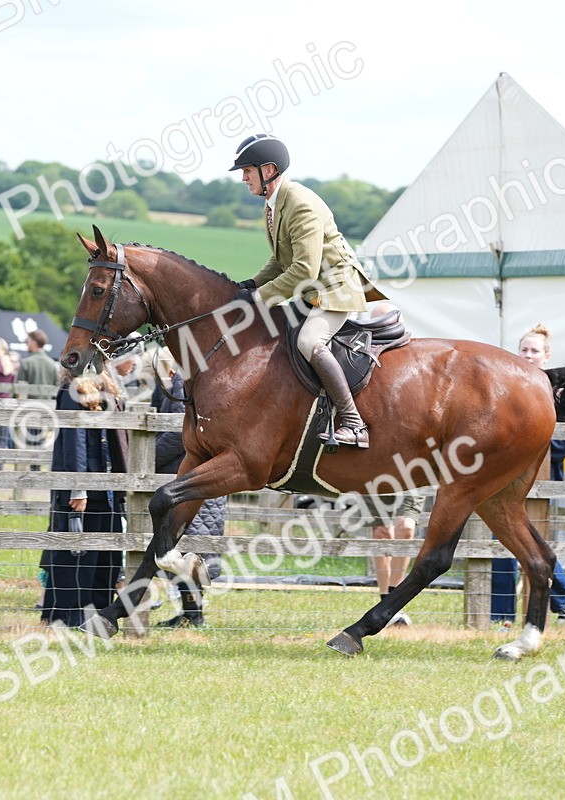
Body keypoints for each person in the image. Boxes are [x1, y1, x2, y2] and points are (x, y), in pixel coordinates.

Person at [230, 133, 383, 449]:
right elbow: (280, 258)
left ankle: (354, 424)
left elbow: (303, 269)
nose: (243, 178)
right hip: (311, 290)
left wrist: (259, 299)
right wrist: (252, 283)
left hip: (336, 287)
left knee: (308, 341)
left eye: (247, 170)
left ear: (268, 169)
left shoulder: (300, 203)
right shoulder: (273, 204)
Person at [490, 324, 565, 625]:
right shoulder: (506, 385)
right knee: (501, 538)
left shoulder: (555, 391)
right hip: (503, 477)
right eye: (524, 349)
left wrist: (522, 448)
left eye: (534, 351)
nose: (528, 355)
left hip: (540, 479)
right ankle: (501, 616)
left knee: (531, 540)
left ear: (546, 356)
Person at [39, 371, 128, 629]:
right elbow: (74, 439)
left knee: (106, 560)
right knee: (75, 557)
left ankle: (97, 616)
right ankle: (68, 617)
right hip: (84, 490)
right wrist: (78, 488)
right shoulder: (72, 390)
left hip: (108, 488)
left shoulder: (108, 386)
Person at [152, 355, 226, 628]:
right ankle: (189, 612)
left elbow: (175, 434)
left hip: (190, 480)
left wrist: (148, 458)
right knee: (185, 549)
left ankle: (193, 614)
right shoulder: (180, 384)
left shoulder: (180, 386)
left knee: (190, 548)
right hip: (188, 479)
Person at [370, 492, 424, 626]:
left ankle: (393, 606)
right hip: (376, 474)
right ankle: (385, 604)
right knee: (381, 532)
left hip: (413, 475)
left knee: (406, 529)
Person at [17, 329, 59, 400]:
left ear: (34, 342)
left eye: (28, 341)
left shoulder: (25, 363)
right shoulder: (52, 363)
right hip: (48, 407)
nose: (26, 344)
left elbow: (22, 392)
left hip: (29, 407)